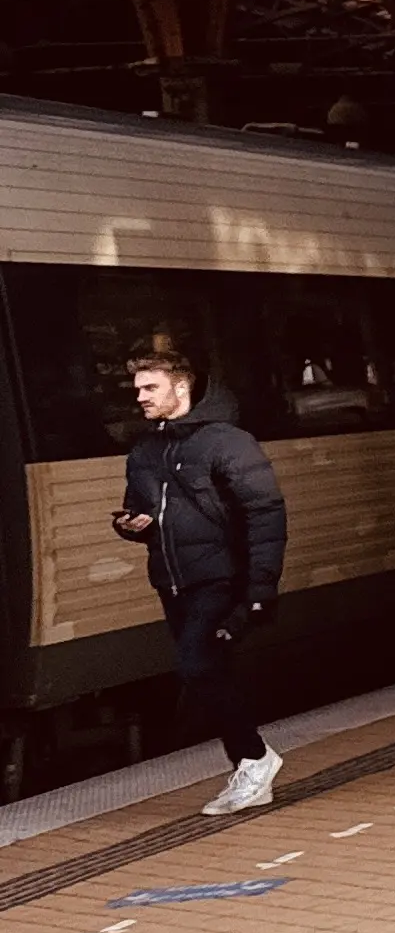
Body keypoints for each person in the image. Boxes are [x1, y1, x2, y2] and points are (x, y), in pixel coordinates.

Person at [111, 339, 288, 817]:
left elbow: (266, 514)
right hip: (172, 580)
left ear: (181, 386)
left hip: (220, 577)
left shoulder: (227, 441)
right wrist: (130, 525)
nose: (141, 397)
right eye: (138, 388)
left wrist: (259, 588)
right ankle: (252, 771)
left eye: (151, 387)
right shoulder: (146, 450)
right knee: (212, 671)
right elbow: (141, 510)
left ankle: (255, 759)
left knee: (198, 667)